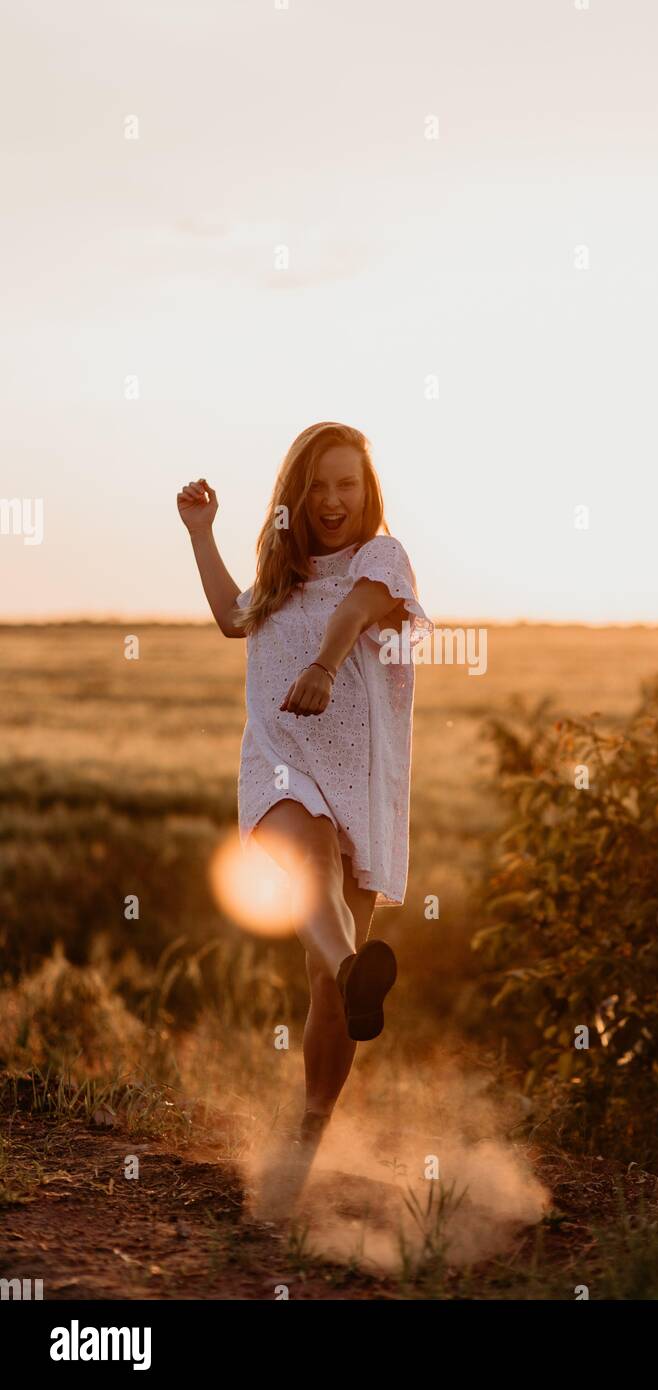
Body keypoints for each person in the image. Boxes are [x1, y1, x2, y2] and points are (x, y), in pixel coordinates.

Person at [176, 421, 432, 1171]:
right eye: (317, 484)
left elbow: (356, 612)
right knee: (308, 853)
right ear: (296, 494)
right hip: (281, 764)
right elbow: (233, 618)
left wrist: (323, 664)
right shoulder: (280, 581)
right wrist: (201, 532)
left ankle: (302, 1150)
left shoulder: (383, 558)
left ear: (366, 489)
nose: (331, 499)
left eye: (346, 483)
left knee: (325, 984)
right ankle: (356, 968)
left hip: (360, 778)